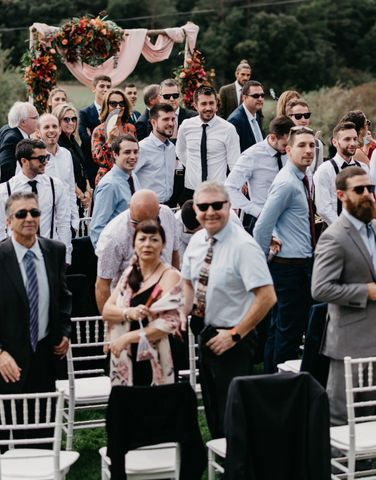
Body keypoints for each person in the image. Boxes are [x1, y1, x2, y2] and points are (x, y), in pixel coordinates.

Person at [0, 191, 71, 479]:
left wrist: (63, 332)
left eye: (34, 213)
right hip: (3, 363)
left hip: (43, 358)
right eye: (22, 214)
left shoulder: (54, 251)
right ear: (9, 220)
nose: (29, 219)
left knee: (41, 431)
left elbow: (63, 298)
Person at [182, 181, 276, 438]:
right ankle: (223, 461)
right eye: (203, 206)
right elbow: (189, 282)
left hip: (235, 338)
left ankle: (240, 466)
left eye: (217, 205)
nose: (210, 211)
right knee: (214, 409)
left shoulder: (243, 246)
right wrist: (181, 312)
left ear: (229, 206)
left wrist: (235, 333)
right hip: (205, 333)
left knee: (234, 414)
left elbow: (267, 296)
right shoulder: (198, 241)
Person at [311, 166, 376, 425]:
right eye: (359, 190)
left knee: (370, 412)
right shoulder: (333, 237)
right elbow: (320, 288)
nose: (367, 194)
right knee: (341, 417)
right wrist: (365, 291)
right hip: (348, 340)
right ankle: (338, 465)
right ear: (341, 195)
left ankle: (363, 463)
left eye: (370, 189)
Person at [253, 126, 317, 372]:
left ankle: (273, 381)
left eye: (312, 145)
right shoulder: (287, 183)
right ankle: (280, 386)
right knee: (288, 335)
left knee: (281, 330)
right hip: (289, 268)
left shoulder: (302, 177)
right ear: (288, 149)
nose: (308, 150)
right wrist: (260, 268)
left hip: (299, 265)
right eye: (302, 145)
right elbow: (261, 228)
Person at [103, 219, 182, 386]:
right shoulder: (128, 274)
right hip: (125, 358)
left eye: (154, 239)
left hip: (156, 357)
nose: (148, 244)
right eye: (142, 239)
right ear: (134, 244)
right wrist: (128, 312)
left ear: (163, 245)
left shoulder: (170, 276)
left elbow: (168, 323)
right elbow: (107, 310)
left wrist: (127, 338)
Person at [95, 189, 180, 314]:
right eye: (136, 223)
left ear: (159, 210)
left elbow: (174, 254)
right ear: (129, 208)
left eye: (152, 223)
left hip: (165, 303)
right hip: (128, 308)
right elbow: (102, 285)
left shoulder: (167, 214)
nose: (144, 229)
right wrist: (112, 323)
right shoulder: (113, 236)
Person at [0, 139, 72, 263]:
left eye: (46, 157)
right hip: (17, 257)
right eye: (40, 159)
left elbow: (63, 223)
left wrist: (65, 257)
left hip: (49, 255)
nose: (45, 162)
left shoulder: (55, 185)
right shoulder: (4, 190)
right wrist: (4, 259)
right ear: (24, 161)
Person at [225, 115, 294, 233]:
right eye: (284, 145)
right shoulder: (251, 156)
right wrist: (256, 211)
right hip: (263, 220)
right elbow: (229, 187)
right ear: (273, 137)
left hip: (290, 219)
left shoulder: (291, 150)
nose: (288, 149)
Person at [177, 86, 240, 205]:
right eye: (204, 103)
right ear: (195, 105)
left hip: (218, 190)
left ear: (216, 104)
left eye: (212, 103)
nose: (208, 108)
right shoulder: (186, 126)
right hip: (191, 189)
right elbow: (180, 151)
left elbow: (234, 162)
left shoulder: (228, 129)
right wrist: (193, 166)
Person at [313, 121, 369, 227]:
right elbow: (323, 208)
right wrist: (345, 228)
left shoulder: (364, 168)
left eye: (355, 139)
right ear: (335, 142)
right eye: (347, 139)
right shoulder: (324, 170)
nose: (352, 143)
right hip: (334, 230)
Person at [89, 134, 141, 247]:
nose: (133, 156)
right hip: (116, 252)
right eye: (127, 152)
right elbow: (97, 229)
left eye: (135, 152)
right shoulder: (109, 185)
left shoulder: (133, 177)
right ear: (115, 154)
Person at [35, 113, 78, 231]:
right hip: (43, 221)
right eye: (46, 127)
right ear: (38, 132)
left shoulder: (66, 154)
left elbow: (70, 189)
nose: (51, 130)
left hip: (65, 220)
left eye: (54, 126)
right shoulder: (33, 157)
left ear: (59, 130)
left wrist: (75, 220)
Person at [133, 103, 177, 205]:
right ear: (154, 122)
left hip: (168, 205)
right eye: (165, 119)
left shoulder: (171, 148)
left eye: (173, 119)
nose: (171, 123)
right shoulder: (142, 148)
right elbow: (127, 177)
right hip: (146, 206)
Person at [91, 88, 136, 185]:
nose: (118, 107)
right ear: (107, 106)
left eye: (122, 103)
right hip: (107, 179)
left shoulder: (131, 128)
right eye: (113, 104)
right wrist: (110, 141)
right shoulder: (99, 130)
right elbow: (99, 160)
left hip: (127, 177)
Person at [54, 103, 91, 215]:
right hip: (69, 198)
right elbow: (63, 175)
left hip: (82, 196)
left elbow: (83, 167)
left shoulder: (74, 142)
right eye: (66, 119)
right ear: (58, 121)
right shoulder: (58, 145)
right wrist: (80, 195)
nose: (71, 123)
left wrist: (88, 191)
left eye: (74, 119)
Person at [78, 75, 112, 184]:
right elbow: (85, 138)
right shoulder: (84, 113)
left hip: (112, 166)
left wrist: (94, 136)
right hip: (91, 165)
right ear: (94, 89)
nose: (105, 89)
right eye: (102, 86)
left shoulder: (115, 113)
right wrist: (109, 140)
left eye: (108, 86)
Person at [0, 101, 39, 182]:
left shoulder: (7, 128)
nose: (38, 120)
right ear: (23, 122)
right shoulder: (13, 139)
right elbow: (5, 167)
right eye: (35, 118)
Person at [286, 99, 325, 171]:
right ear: (289, 117)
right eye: (298, 116)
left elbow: (318, 173)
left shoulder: (317, 144)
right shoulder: (283, 142)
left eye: (307, 115)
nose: (303, 120)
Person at [227, 80, 265, 153]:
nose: (260, 99)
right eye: (255, 96)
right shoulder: (235, 121)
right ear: (244, 98)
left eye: (262, 95)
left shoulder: (256, 115)